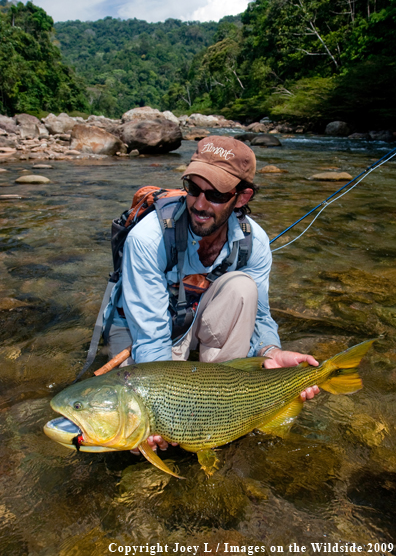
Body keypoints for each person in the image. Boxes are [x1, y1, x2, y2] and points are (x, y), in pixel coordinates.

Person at [103, 135, 319, 452]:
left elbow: (260, 316)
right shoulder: (147, 239)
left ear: (242, 197)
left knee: (243, 287)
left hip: (191, 315)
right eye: (193, 189)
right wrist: (161, 413)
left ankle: (221, 407)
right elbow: (150, 336)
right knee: (131, 432)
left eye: (216, 194)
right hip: (141, 330)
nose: (200, 204)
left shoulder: (254, 243)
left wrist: (271, 352)